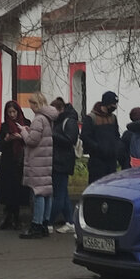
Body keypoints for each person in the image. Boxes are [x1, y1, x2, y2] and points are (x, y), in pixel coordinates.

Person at [19, 92, 58, 238]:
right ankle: (44, 224)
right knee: (46, 192)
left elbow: (32, 141)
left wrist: (23, 132)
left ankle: (36, 224)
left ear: (36, 104)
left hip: (37, 161)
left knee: (38, 193)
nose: (30, 106)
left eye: (31, 103)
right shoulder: (48, 118)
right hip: (46, 160)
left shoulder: (38, 119)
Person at [0, 99, 29, 230]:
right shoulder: (5, 126)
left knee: (19, 190)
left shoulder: (26, 123)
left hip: (21, 161)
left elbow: (31, 141)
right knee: (8, 189)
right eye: (9, 112)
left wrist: (22, 137)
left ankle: (16, 217)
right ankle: (8, 215)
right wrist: (7, 139)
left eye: (14, 112)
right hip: (8, 161)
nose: (12, 115)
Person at [50, 96, 79, 232]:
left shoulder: (69, 121)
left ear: (60, 110)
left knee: (59, 195)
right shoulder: (61, 121)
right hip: (60, 160)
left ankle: (48, 221)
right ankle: (70, 221)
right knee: (63, 193)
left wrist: (52, 135)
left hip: (62, 161)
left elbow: (70, 140)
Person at [81, 90, 121, 182]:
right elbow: (85, 137)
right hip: (97, 161)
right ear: (106, 103)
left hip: (111, 160)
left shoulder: (113, 118)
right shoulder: (91, 118)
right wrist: (98, 148)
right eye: (113, 104)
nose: (115, 107)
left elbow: (116, 135)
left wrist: (116, 148)